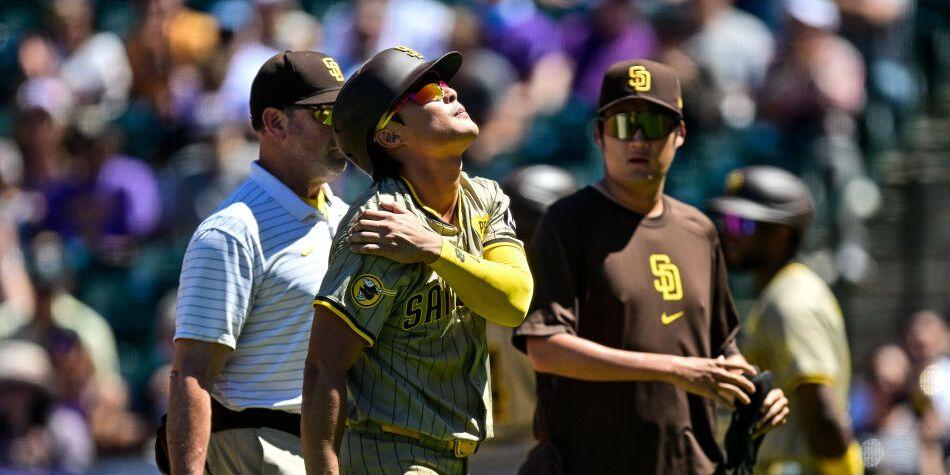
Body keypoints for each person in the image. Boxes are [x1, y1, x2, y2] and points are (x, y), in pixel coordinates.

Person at [512, 59, 789, 474]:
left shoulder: (699, 231)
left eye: (654, 125)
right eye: (624, 125)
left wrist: (754, 390)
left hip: (690, 464)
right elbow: (546, 348)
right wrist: (675, 371)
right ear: (600, 135)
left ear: (680, 135)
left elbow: (720, 350)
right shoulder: (569, 222)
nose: (638, 140)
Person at [301, 46, 534, 474]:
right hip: (390, 453)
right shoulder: (380, 225)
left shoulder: (485, 197)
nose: (448, 92)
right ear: (390, 135)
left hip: (456, 456)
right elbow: (323, 367)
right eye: (427, 88)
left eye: (446, 82)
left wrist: (435, 249)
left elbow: (513, 299)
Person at [166, 50, 348, 474]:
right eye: (325, 114)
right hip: (260, 449)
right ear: (275, 123)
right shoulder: (231, 232)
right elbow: (191, 375)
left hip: (330, 447)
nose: (341, 128)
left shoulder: (342, 216)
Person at [708, 165, 863, 474]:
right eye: (727, 221)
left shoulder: (792, 301)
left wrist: (847, 468)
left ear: (780, 233)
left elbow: (821, 411)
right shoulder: (779, 292)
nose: (729, 232)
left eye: (742, 224)